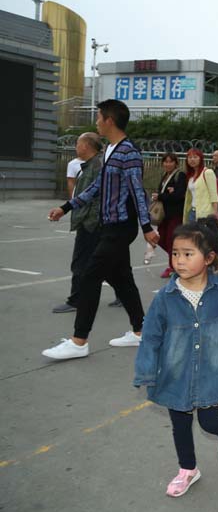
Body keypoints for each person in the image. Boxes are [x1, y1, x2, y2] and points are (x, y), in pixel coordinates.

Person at [133, 217, 218, 498]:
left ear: (209, 258)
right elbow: (151, 335)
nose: (179, 260)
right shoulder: (165, 297)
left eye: (188, 254)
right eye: (175, 253)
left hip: (211, 371)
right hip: (175, 374)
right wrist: (147, 371)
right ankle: (188, 469)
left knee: (209, 422)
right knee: (180, 424)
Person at [44, 99, 160, 360]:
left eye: (98, 117)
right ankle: (141, 331)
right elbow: (97, 187)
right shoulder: (110, 149)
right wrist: (67, 207)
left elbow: (137, 192)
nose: (96, 121)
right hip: (109, 225)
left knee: (90, 276)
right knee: (122, 279)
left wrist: (146, 228)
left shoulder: (128, 152)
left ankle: (79, 340)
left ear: (109, 120)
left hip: (121, 227)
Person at [52, 133, 103, 314]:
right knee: (109, 263)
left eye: (78, 143)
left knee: (80, 262)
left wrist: (68, 209)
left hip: (90, 223)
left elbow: (91, 196)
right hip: (91, 221)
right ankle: (123, 296)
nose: (76, 147)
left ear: (86, 146)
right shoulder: (92, 165)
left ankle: (76, 300)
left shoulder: (97, 166)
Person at [153, 152, 187, 278]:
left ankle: (173, 267)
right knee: (161, 238)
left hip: (175, 213)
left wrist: (162, 196)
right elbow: (168, 193)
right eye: (165, 161)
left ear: (176, 163)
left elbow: (179, 195)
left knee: (171, 240)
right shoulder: (164, 175)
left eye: (170, 161)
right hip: (164, 214)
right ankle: (179, 258)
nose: (168, 164)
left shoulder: (180, 175)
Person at [183, 149, 218, 223]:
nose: (192, 159)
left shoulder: (208, 172)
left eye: (195, 157)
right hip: (192, 212)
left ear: (201, 159)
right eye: (190, 157)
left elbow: (214, 194)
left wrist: (215, 212)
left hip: (205, 213)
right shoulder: (190, 175)